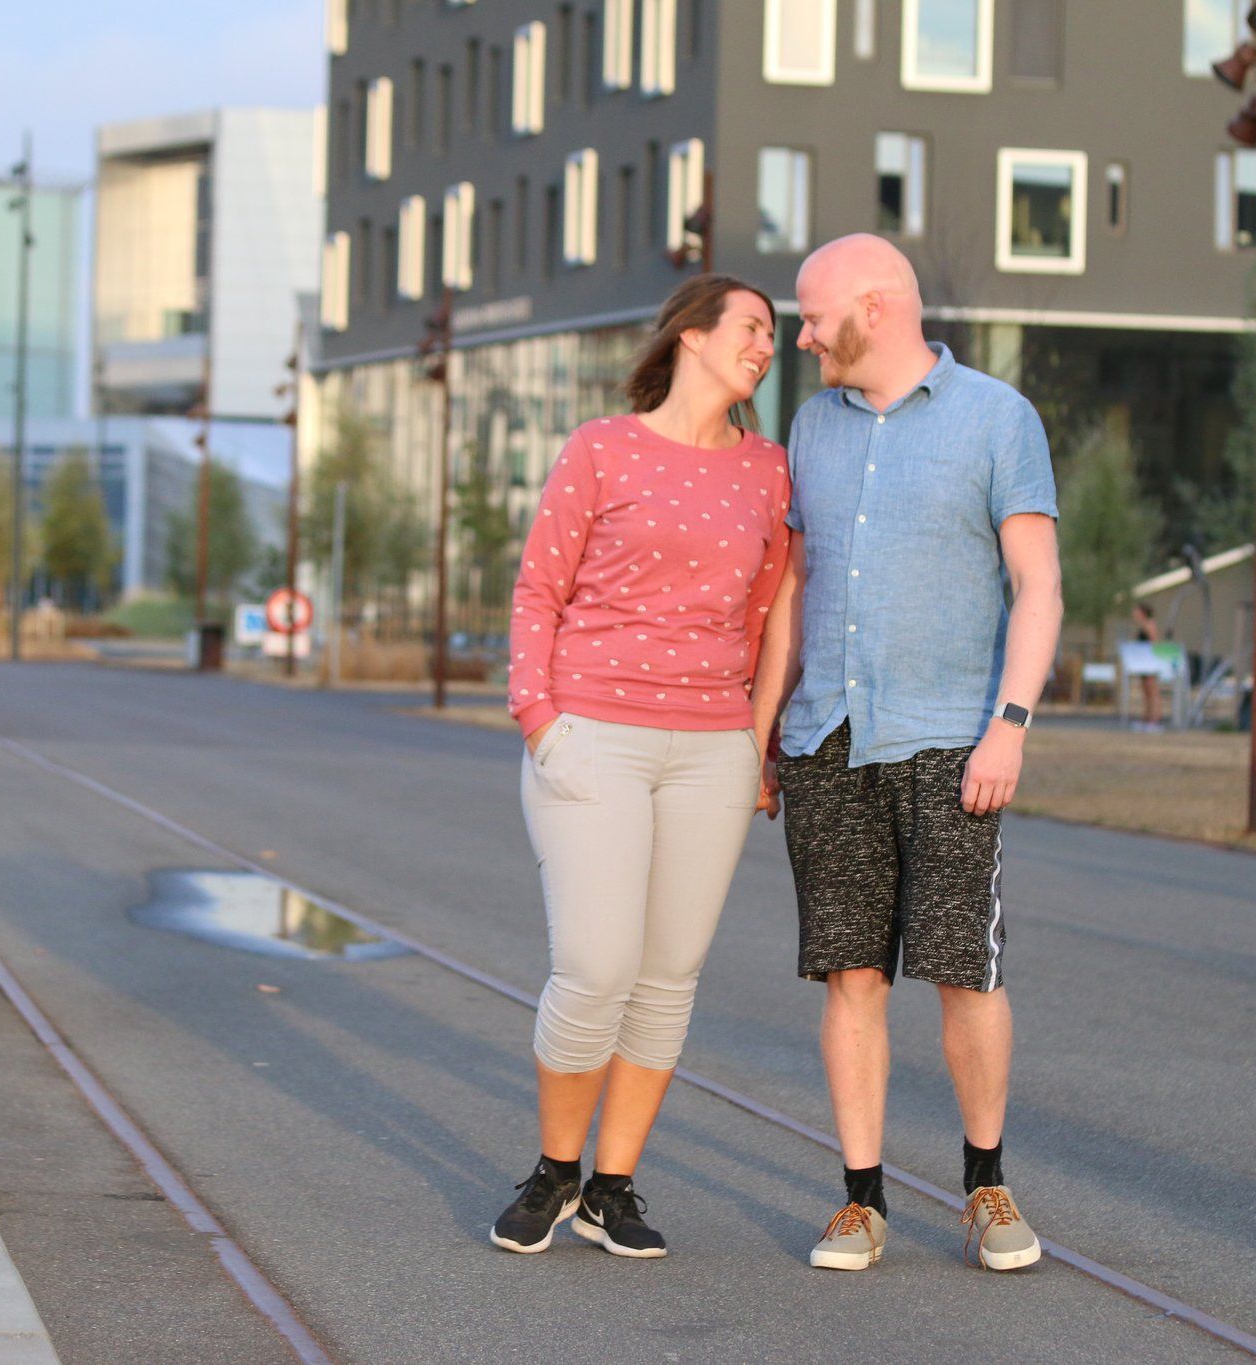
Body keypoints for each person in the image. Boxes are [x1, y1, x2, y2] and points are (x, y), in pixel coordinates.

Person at [754, 235, 1063, 1274]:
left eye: (812, 316)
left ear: (877, 308)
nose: (800, 337)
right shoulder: (810, 426)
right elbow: (793, 592)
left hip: (950, 740)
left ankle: (984, 1184)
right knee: (850, 977)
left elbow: (1039, 587)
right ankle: (860, 1201)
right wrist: (765, 736)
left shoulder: (994, 419)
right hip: (826, 742)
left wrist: (1008, 725)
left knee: (962, 973)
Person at [491, 275, 791, 1260]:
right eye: (751, 327)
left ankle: (611, 1186)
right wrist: (539, 719)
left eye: (773, 335)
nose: (765, 345)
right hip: (592, 733)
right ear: (692, 336)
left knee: (666, 978)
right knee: (595, 966)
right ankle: (553, 1169)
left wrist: (757, 741)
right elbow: (539, 588)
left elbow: (764, 616)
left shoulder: (768, 472)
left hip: (709, 748)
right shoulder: (601, 448)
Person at [1132, 603, 1164, 730]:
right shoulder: (1142, 626)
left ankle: (1155, 718)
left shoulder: (1150, 625)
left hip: (1150, 663)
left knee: (1152, 691)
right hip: (1143, 663)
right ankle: (1146, 717)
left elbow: (1154, 643)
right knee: (1146, 691)